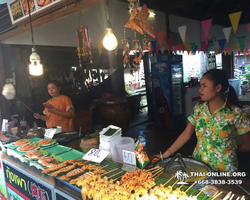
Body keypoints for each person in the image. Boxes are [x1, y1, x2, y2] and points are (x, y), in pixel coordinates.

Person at [156, 69, 250, 172]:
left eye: (204, 86)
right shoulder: (199, 109)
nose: (200, 90)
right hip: (198, 166)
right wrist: (165, 155)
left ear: (218, 88)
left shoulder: (235, 114)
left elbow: (247, 145)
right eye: (200, 86)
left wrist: (229, 150)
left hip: (225, 171)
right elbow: (186, 134)